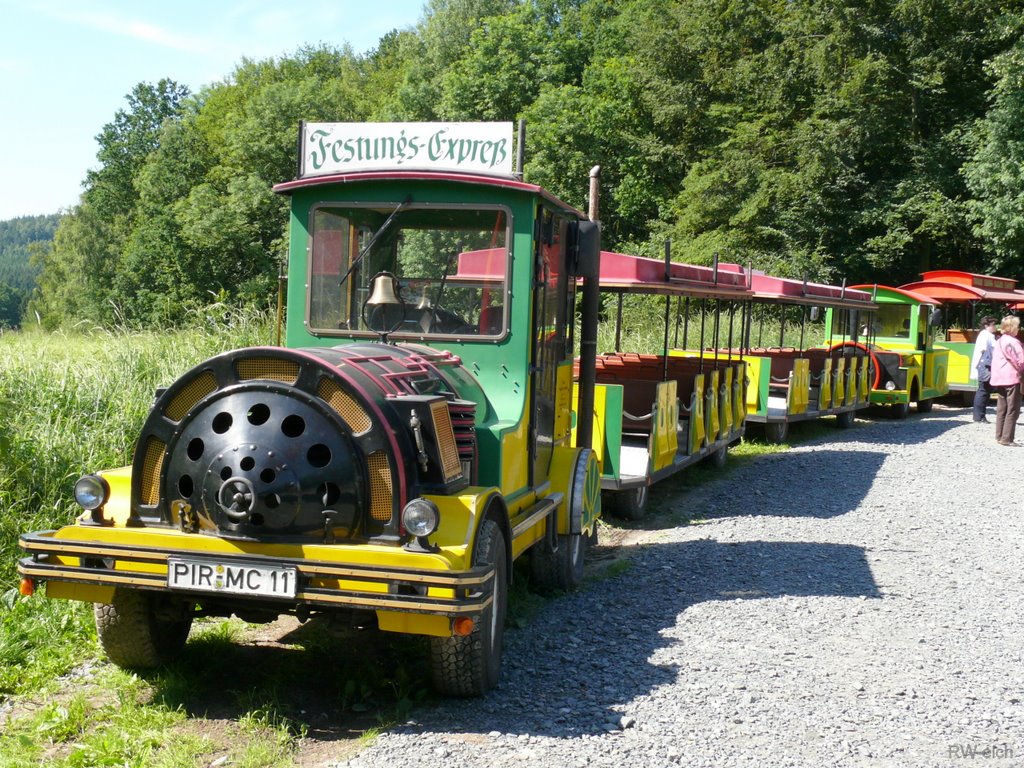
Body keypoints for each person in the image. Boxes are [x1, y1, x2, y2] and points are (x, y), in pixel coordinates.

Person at [989, 315, 1024, 446]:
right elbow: (1021, 361)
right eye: (1017, 326)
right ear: (1012, 327)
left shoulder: (1000, 340)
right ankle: (1007, 438)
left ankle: (999, 436)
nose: (1018, 329)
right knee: (1013, 409)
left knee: (1002, 408)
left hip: (999, 378)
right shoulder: (1013, 342)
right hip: (1012, 377)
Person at [970, 316, 997, 422]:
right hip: (985, 365)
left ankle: (980, 415)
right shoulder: (985, 335)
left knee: (985, 390)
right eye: (993, 325)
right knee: (983, 390)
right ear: (987, 326)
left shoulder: (988, 335)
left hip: (986, 364)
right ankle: (979, 416)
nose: (995, 327)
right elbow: (982, 350)